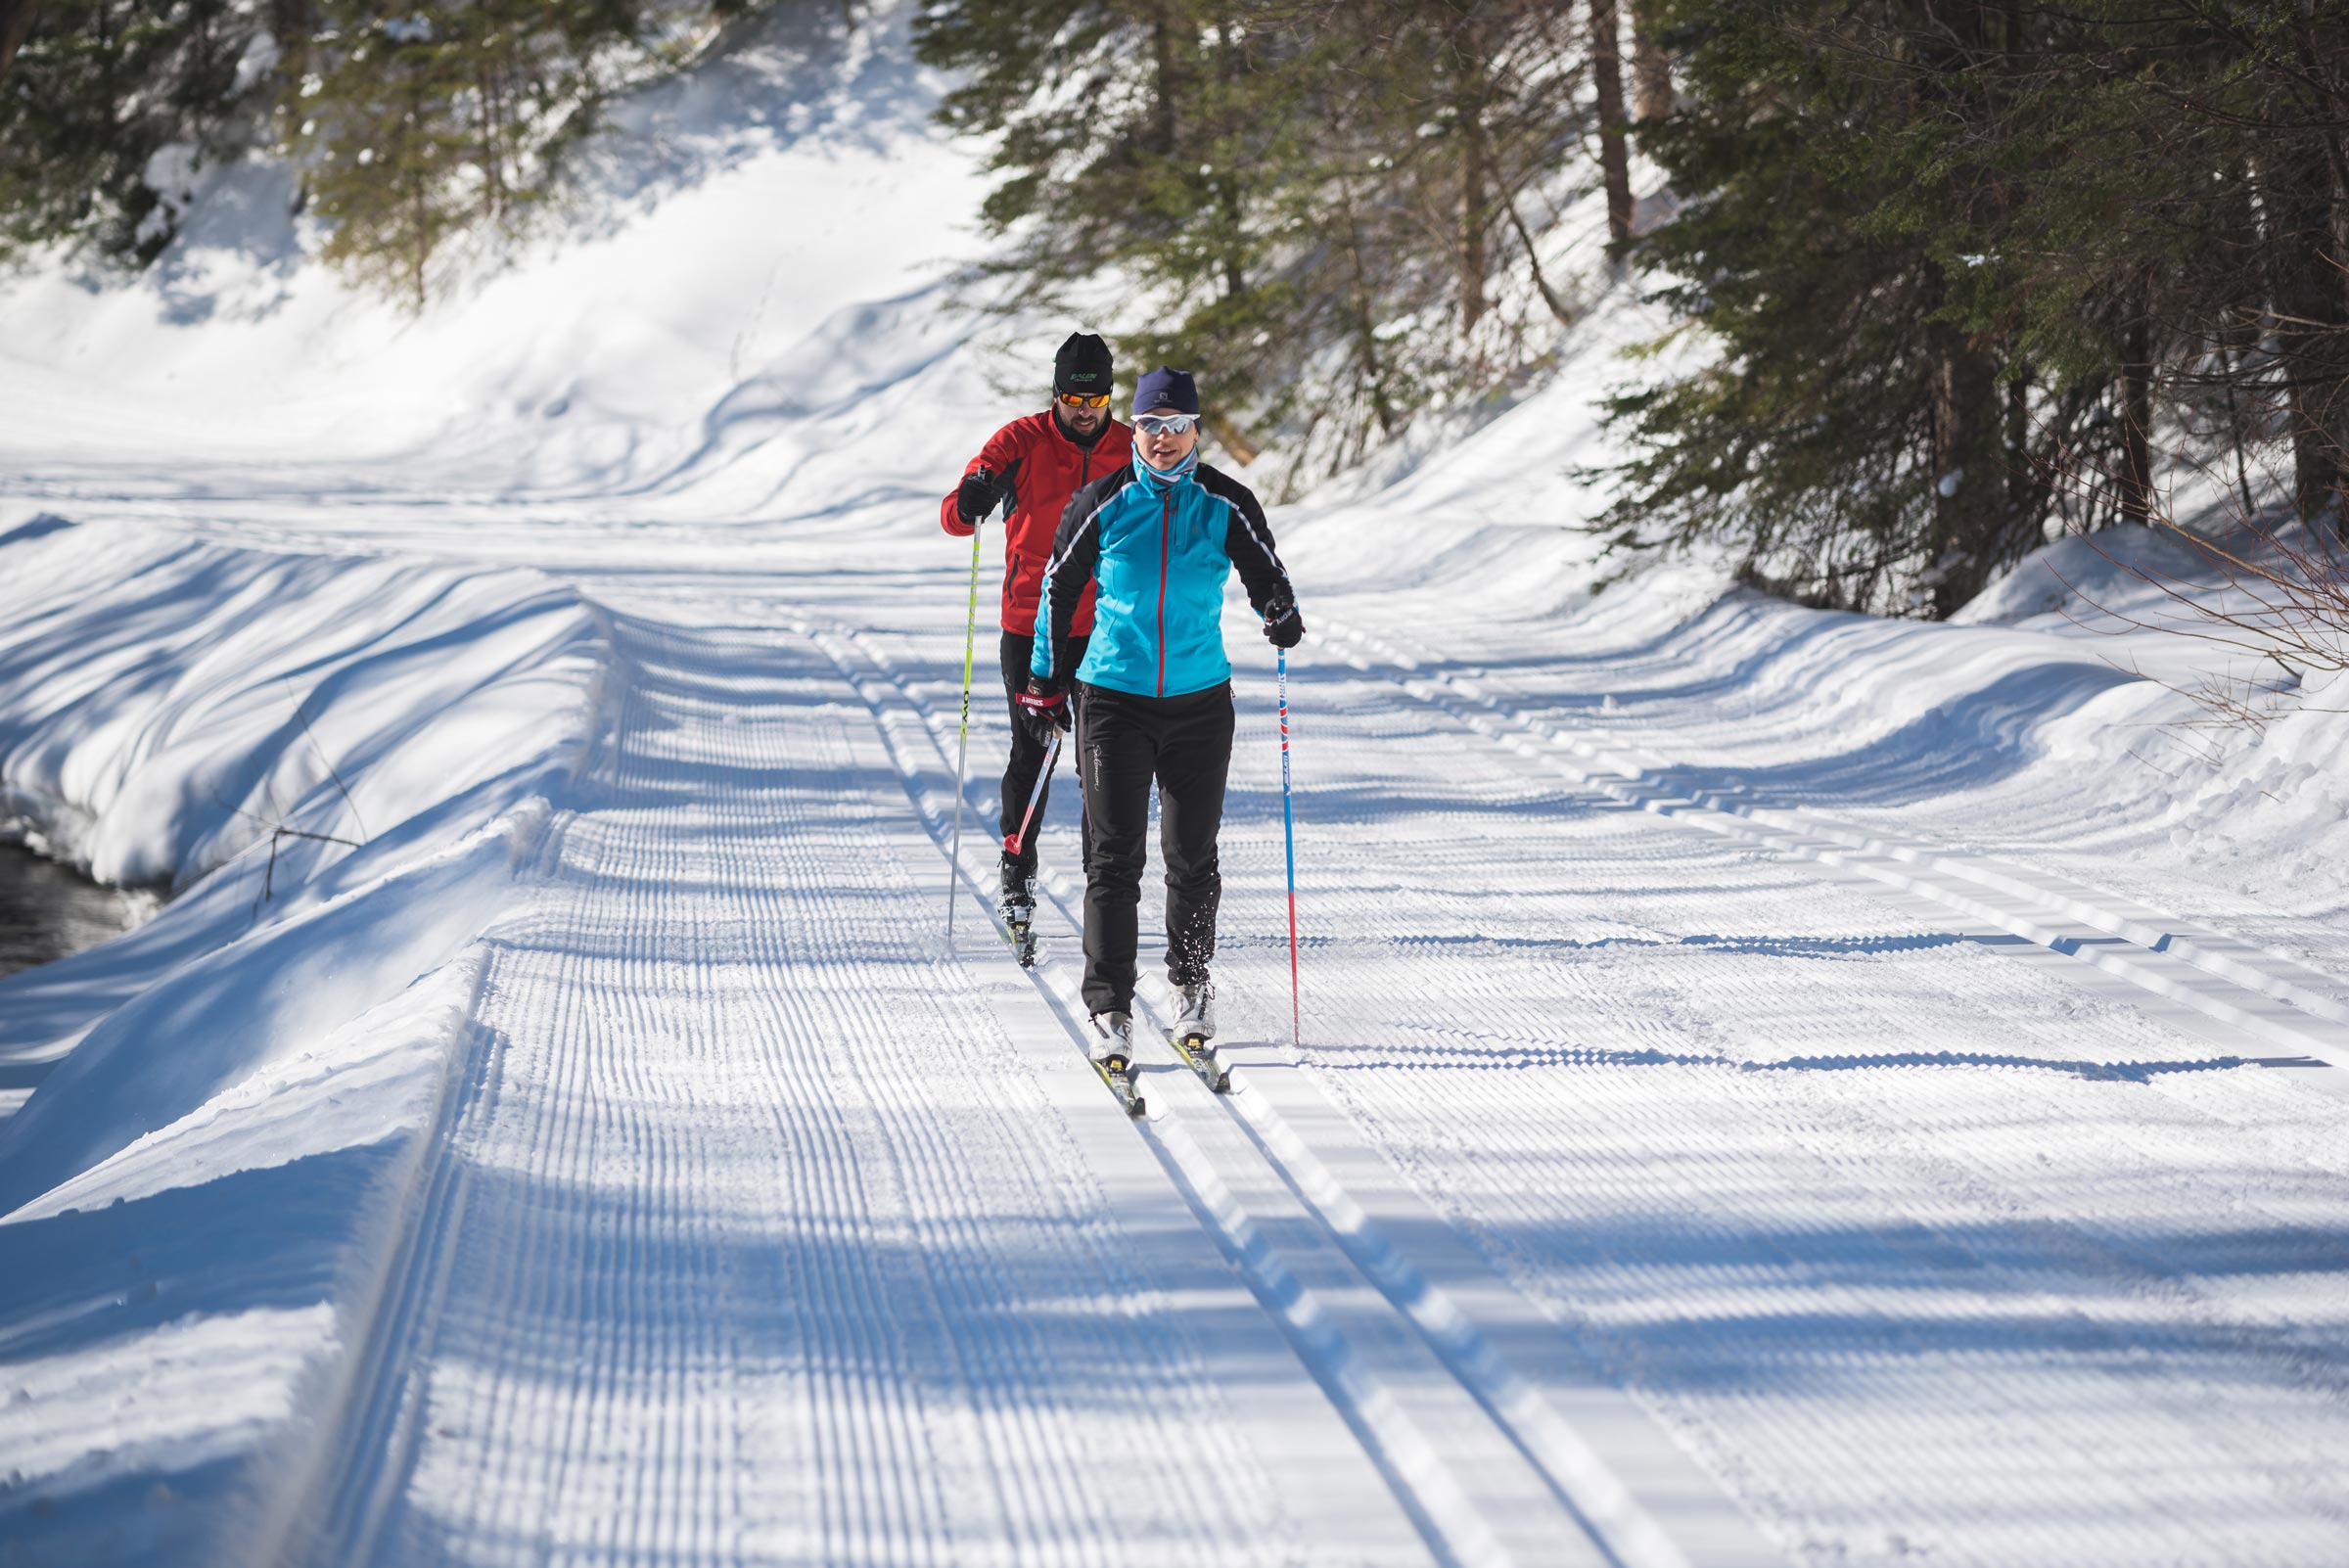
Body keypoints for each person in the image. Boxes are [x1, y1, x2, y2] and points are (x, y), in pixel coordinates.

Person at [1021, 367, 1305, 1070]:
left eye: (1178, 426)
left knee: (1193, 857)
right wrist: (1044, 682)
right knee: (1113, 860)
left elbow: (1266, 571)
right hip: (1113, 700)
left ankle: (1191, 985)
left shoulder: (1225, 503)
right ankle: (1110, 1008)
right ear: (1135, 428)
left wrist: (1280, 609)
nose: (1164, 438)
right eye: (1152, 425)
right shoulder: (1105, 500)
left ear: (1196, 430)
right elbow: (1058, 585)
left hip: (1200, 703)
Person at [941, 332, 1134, 942]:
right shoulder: (1019, 441)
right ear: (1056, 393)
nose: (1085, 409)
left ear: (1109, 395)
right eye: (1074, 398)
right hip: (1032, 630)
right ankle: (1017, 872)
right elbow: (955, 516)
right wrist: (970, 497)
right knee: (1036, 754)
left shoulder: (1132, 447)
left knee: (1101, 762)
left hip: (1107, 631)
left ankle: (1100, 884)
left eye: (1096, 398)